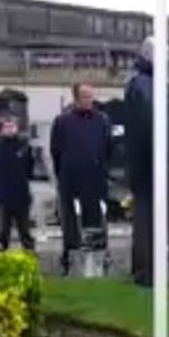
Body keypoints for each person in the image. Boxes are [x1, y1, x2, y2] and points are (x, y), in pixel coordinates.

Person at [124, 37, 169, 287]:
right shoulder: (144, 85)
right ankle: (148, 271)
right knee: (149, 218)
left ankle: (151, 268)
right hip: (151, 163)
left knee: (154, 216)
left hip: (151, 161)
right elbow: (153, 124)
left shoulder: (148, 84)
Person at [50, 83, 111, 272]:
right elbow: (56, 151)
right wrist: (63, 173)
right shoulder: (62, 121)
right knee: (71, 220)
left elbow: (108, 148)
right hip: (71, 179)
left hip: (95, 178)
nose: (89, 100)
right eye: (85, 96)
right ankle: (70, 255)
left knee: (96, 217)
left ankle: (99, 254)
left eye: (91, 96)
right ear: (76, 97)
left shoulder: (102, 120)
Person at [0, 114, 35, 251]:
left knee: (24, 228)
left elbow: (29, 169)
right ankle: (1, 252)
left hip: (21, 192)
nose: (10, 129)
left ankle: (29, 252)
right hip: (3, 193)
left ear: (17, 128)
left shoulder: (24, 146)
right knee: (3, 230)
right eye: (6, 127)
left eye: (12, 126)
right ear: (1, 130)